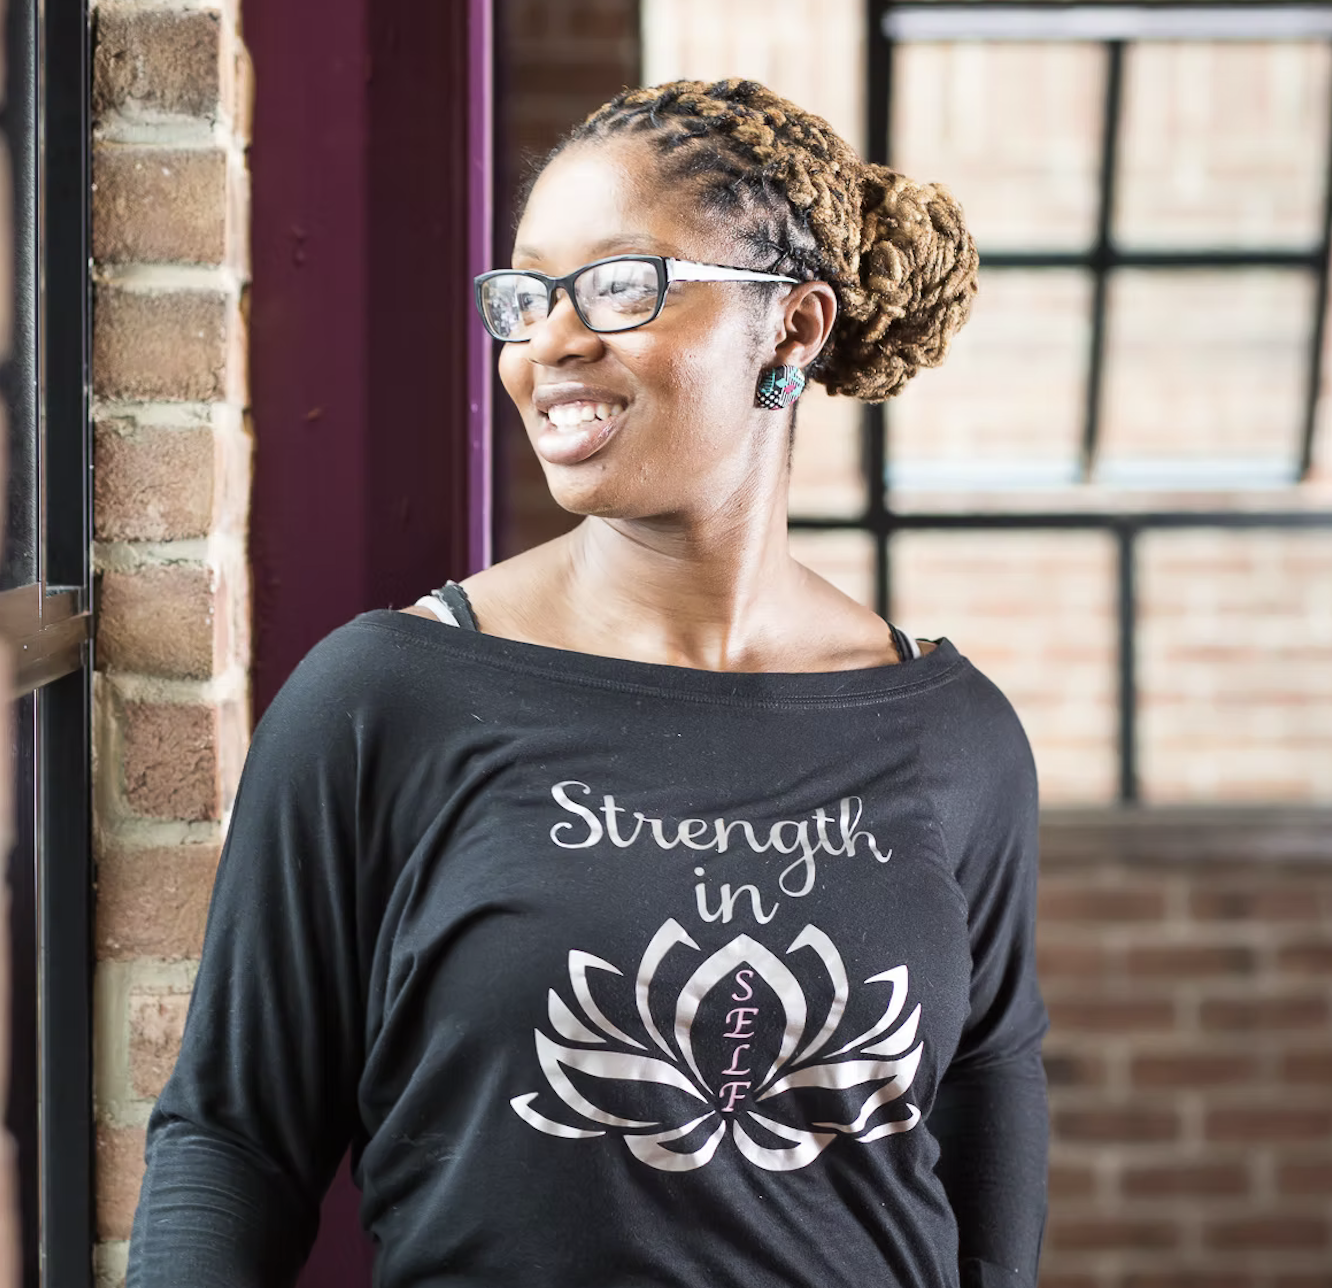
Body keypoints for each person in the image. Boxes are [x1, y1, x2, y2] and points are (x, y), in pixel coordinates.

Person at [128, 79, 1047, 1288]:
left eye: (622, 286)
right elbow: (235, 1139)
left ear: (795, 325)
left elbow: (987, 1131)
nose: (549, 342)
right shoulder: (386, 699)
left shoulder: (952, 732)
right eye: (525, 297)